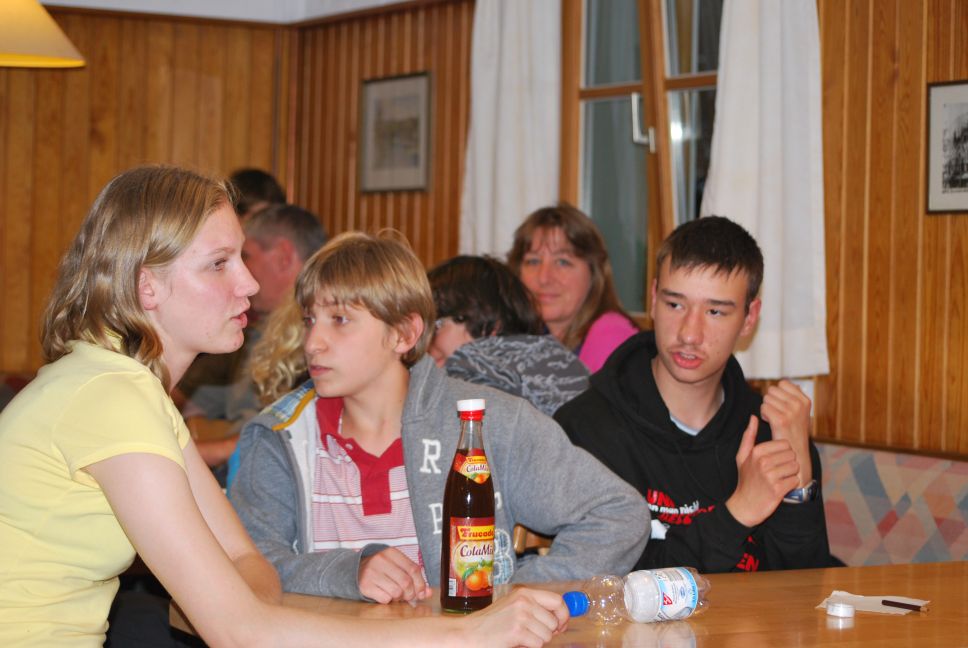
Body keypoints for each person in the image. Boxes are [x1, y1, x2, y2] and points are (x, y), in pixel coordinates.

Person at [0, 166, 569, 647]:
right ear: (147, 285)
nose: (249, 283)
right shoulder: (111, 399)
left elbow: (247, 563)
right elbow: (236, 630)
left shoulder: (135, 393)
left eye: (242, 259)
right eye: (219, 263)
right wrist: (465, 634)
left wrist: (248, 607)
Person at [229, 231, 649, 604]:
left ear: (404, 334)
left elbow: (618, 514)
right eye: (309, 320)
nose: (313, 343)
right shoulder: (280, 436)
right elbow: (247, 562)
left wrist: (510, 598)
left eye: (340, 320)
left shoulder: (491, 423)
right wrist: (346, 573)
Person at [555, 216, 834, 574]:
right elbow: (608, 582)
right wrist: (738, 512)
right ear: (653, 299)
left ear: (749, 318)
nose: (689, 334)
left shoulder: (771, 430)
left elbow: (805, 589)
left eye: (715, 311)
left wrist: (799, 488)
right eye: (675, 305)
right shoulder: (585, 428)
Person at [177, 204, 327, 470]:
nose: (243, 277)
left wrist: (212, 451)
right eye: (221, 263)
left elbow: (303, 428)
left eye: (245, 256)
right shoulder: (254, 325)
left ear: (283, 256)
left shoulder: (316, 337)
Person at [427, 255, 589, 416]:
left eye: (435, 326)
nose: (426, 341)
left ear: (489, 325)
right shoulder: (562, 360)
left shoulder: (474, 369)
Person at [507, 204, 639, 373]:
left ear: (594, 272)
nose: (544, 278)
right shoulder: (525, 336)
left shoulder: (612, 337)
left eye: (562, 262)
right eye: (533, 261)